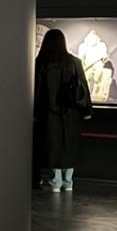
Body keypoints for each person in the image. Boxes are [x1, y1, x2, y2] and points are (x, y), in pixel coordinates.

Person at [34, 28, 94, 192]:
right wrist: (87, 110)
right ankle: (68, 182)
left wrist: (34, 112)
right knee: (69, 146)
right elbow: (83, 88)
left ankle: (55, 181)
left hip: (49, 113)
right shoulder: (74, 62)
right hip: (71, 112)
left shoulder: (42, 62)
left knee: (53, 146)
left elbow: (36, 90)